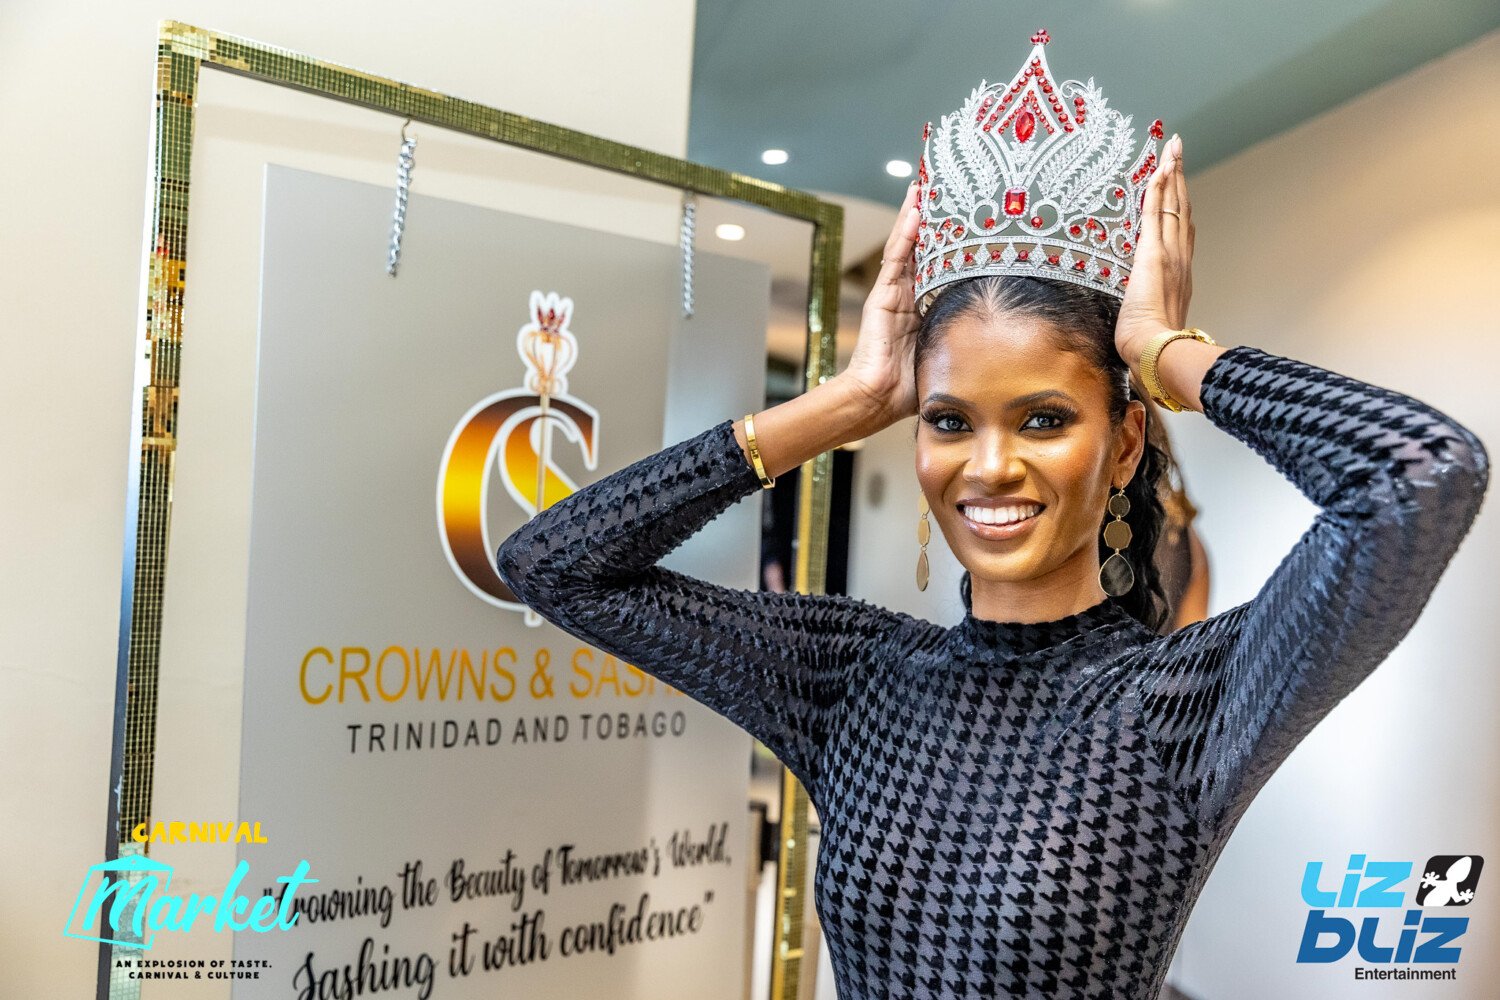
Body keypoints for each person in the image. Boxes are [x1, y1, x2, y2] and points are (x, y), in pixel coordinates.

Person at [496, 32, 1488, 999]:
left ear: (1125, 445)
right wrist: (845, 402)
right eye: (949, 421)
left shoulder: (1183, 702)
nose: (990, 466)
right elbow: (553, 563)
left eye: (1044, 419)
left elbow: (1418, 471)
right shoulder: (850, 678)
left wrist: (1162, 349)